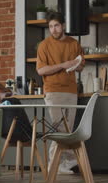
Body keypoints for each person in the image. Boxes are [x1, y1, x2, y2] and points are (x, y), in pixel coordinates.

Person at [36, 11, 85, 174]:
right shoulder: (44, 45)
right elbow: (41, 70)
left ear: (63, 26)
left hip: (71, 91)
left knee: (68, 130)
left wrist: (75, 65)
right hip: (53, 91)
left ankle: (66, 163)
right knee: (59, 129)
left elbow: (80, 65)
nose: (53, 29)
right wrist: (64, 64)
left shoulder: (74, 43)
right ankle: (54, 163)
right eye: (50, 26)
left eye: (56, 25)